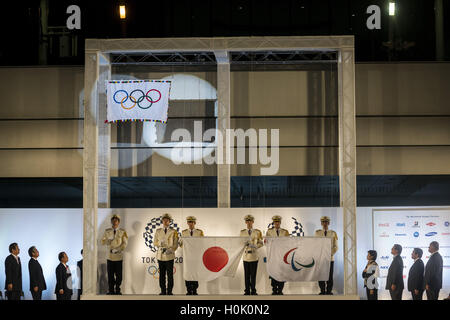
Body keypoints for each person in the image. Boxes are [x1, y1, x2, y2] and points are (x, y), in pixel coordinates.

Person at [101, 214, 128, 295]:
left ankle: (118, 289)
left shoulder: (122, 231)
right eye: (113, 220)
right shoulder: (107, 231)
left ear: (118, 222)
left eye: (116, 220)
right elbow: (102, 241)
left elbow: (125, 243)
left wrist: (118, 249)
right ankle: (111, 290)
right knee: (110, 275)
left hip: (118, 256)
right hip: (110, 256)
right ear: (111, 221)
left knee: (119, 275)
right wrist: (108, 241)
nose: (114, 222)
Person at [154, 213, 179, 295]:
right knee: (161, 275)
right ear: (162, 221)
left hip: (169, 254)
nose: (165, 222)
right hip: (160, 255)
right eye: (164, 220)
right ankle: (163, 290)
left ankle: (169, 291)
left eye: (167, 220)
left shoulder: (173, 231)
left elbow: (175, 244)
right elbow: (155, 242)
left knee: (170, 275)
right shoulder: (158, 231)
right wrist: (159, 244)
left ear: (169, 221)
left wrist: (171, 250)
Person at [265, 215, 289, 295]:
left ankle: (280, 289)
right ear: (273, 223)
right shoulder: (269, 231)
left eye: (278, 222)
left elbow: (288, 243)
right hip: (273, 255)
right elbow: (266, 243)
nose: (277, 223)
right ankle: (274, 289)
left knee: (281, 272)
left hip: (282, 255)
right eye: (275, 222)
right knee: (273, 272)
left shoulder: (285, 232)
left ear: (280, 222)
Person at [180, 216, 204, 295]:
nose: (190, 224)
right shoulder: (184, 232)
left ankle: (195, 289)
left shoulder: (199, 232)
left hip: (196, 256)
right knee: (187, 272)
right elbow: (181, 245)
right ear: (187, 223)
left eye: (192, 222)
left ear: (195, 223)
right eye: (189, 222)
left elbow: (202, 243)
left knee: (195, 272)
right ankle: (188, 290)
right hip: (187, 256)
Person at [240, 214, 263, 295]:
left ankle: (253, 290)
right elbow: (239, 243)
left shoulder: (257, 232)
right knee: (246, 275)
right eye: (247, 221)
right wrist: (243, 244)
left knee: (253, 275)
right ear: (245, 222)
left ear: (253, 222)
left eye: (250, 221)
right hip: (246, 256)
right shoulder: (242, 232)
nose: (249, 222)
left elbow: (261, 243)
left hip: (254, 255)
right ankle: (246, 290)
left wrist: (256, 246)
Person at [315, 216, 338, 295]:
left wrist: (329, 253)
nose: (325, 224)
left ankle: (329, 291)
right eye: (323, 222)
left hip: (330, 258)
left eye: (326, 222)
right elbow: (316, 245)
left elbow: (336, 246)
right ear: (321, 223)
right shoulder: (317, 233)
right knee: (321, 275)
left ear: (329, 223)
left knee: (329, 276)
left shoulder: (333, 233)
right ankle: (322, 290)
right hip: (321, 258)